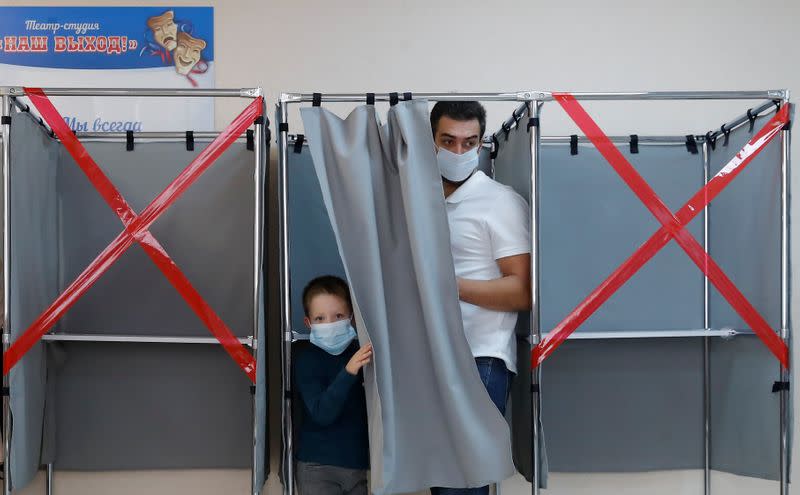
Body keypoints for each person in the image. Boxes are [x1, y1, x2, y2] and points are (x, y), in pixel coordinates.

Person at [430, 102, 532, 495]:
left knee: (461, 484)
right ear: (431, 142)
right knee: (444, 481)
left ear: (482, 143)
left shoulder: (498, 201)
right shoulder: (420, 202)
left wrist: (446, 284)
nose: (459, 152)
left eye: (469, 142)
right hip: (433, 355)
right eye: (448, 141)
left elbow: (521, 290)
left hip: (479, 360)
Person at [293, 275, 372, 495]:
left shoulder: (360, 351)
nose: (330, 324)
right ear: (308, 323)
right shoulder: (307, 359)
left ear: (351, 317)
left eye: (338, 316)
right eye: (320, 318)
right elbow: (321, 413)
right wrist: (349, 371)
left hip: (357, 466)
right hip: (318, 468)